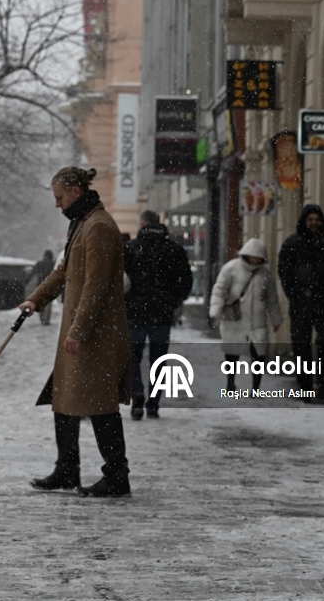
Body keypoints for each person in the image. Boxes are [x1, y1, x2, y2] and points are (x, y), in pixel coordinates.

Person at [19, 167, 133, 498]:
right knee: (64, 398)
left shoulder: (98, 227)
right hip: (82, 333)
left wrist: (79, 330)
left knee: (100, 405)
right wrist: (35, 300)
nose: (57, 204)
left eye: (59, 196)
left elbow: (96, 287)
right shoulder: (82, 224)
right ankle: (67, 469)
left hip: (96, 335)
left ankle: (116, 476)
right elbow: (63, 272)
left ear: (76, 192)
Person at [123, 210, 193, 420]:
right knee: (159, 360)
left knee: (132, 359)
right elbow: (185, 282)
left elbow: (119, 281)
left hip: (134, 314)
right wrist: (173, 302)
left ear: (142, 224)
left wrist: (127, 303)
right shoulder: (174, 250)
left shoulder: (130, 248)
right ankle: (153, 404)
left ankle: (136, 392)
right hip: (162, 315)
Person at [277, 204, 324, 402]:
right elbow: (284, 273)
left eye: (317, 219)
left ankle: (323, 387)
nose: (314, 223)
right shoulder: (292, 244)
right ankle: (304, 387)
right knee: (301, 346)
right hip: (301, 305)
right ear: (304, 220)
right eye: (310, 219)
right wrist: (295, 294)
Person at [209, 238, 282, 389]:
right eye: (252, 256)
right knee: (232, 353)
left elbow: (272, 298)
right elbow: (219, 290)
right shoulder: (231, 268)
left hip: (257, 320)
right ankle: (230, 383)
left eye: (258, 257)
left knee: (259, 354)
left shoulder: (265, 274)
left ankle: (256, 387)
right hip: (235, 318)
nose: (255, 259)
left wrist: (276, 319)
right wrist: (216, 309)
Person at [31, 250, 55, 325]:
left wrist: (26, 281)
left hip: (40, 285)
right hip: (50, 286)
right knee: (48, 304)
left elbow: (32, 272)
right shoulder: (53, 264)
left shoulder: (39, 263)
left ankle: (42, 318)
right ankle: (46, 319)